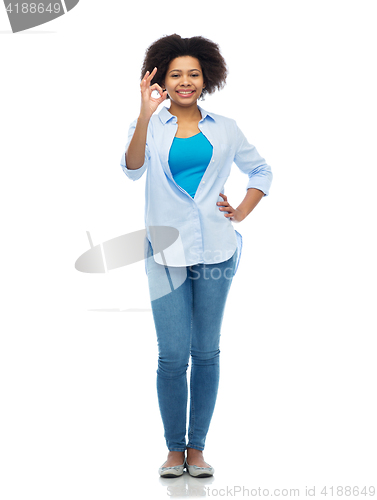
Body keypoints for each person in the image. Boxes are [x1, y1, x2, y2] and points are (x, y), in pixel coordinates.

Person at [120, 34, 273, 478]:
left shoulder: (225, 127)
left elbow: (261, 169)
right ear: (161, 80)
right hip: (165, 252)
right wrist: (145, 117)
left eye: (193, 74)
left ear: (206, 78)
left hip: (217, 251)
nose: (185, 82)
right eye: (175, 75)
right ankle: (173, 450)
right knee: (172, 356)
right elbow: (131, 170)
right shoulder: (148, 124)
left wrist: (241, 210)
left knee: (206, 352)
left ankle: (198, 449)